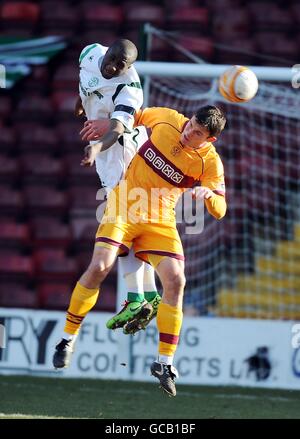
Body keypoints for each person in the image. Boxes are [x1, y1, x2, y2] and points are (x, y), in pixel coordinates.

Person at [53, 104, 227, 397]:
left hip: (160, 221)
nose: (188, 132)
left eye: (196, 132)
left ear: (209, 140)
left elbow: (221, 210)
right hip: (123, 206)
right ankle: (67, 339)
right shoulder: (169, 118)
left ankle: (164, 364)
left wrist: (209, 195)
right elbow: (130, 117)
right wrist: (105, 123)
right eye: (190, 124)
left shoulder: (209, 163)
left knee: (176, 280)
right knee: (99, 267)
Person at [75, 38, 160, 333]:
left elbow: (118, 128)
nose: (113, 68)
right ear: (106, 51)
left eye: (120, 66)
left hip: (123, 152)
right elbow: (86, 85)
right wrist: (82, 106)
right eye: (111, 61)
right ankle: (148, 296)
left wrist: (98, 146)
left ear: (129, 67)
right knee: (131, 224)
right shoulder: (89, 53)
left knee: (124, 227)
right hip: (106, 157)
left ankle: (137, 298)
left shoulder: (130, 87)